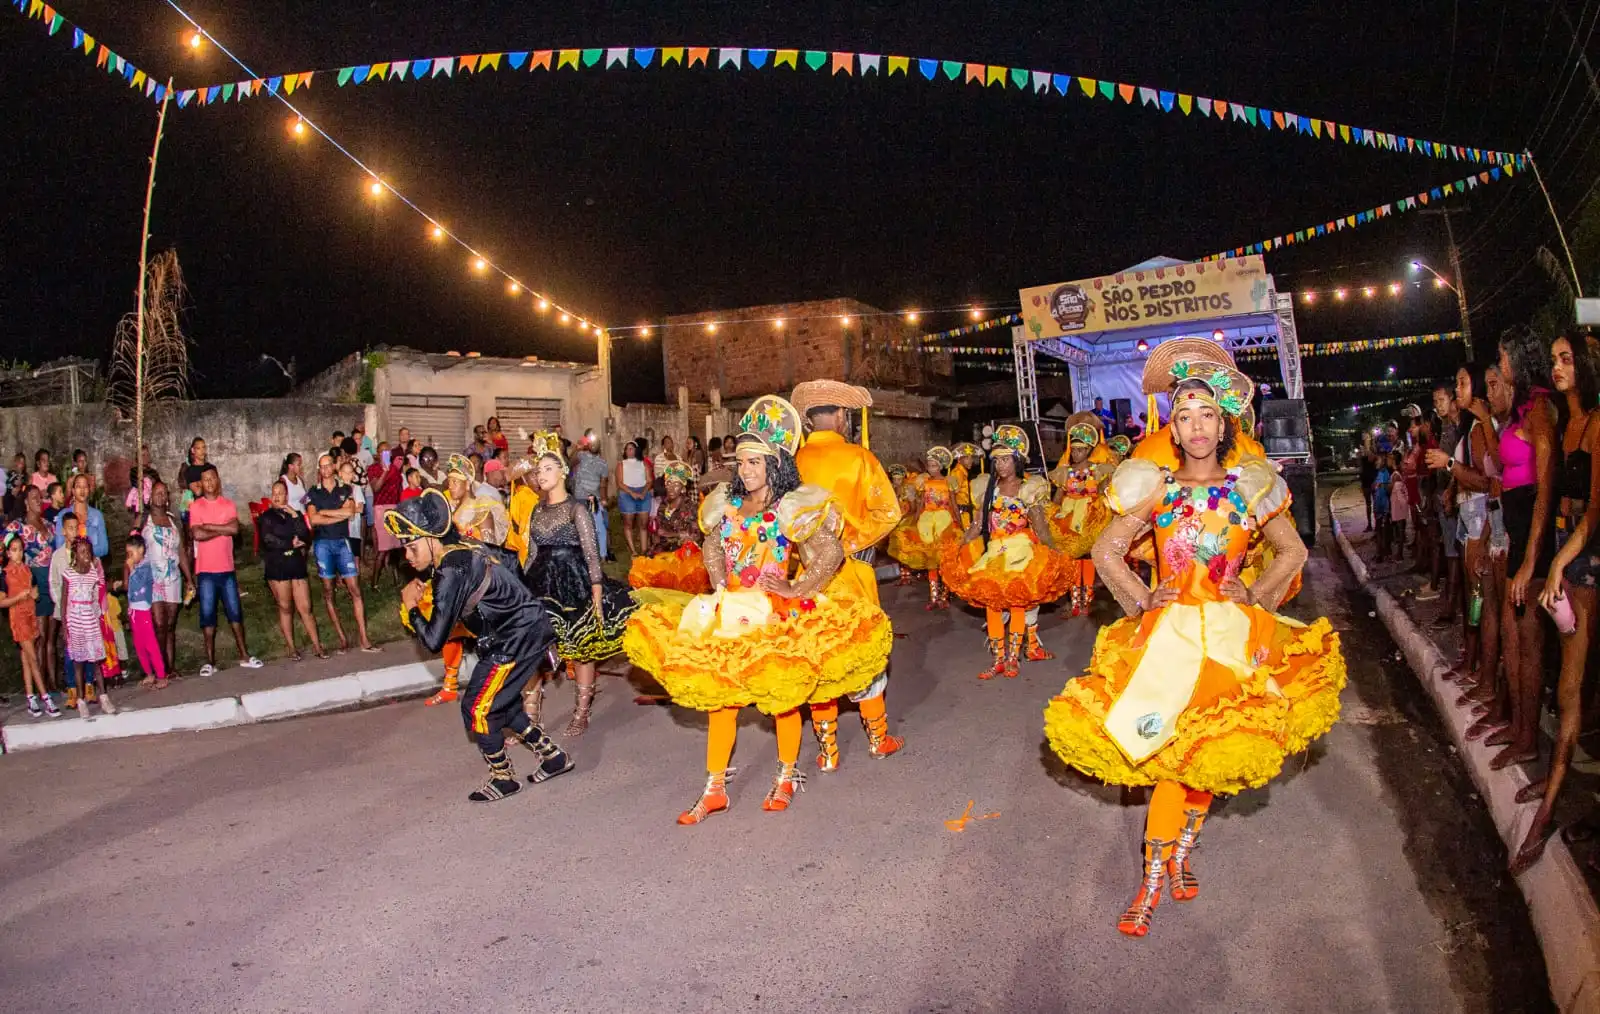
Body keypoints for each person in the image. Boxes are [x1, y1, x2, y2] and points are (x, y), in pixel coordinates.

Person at [1044, 345, 1345, 937]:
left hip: (1230, 639)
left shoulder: (1249, 487)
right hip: (1167, 638)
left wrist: (1254, 595)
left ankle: (1182, 850)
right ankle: (1152, 879)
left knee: (1206, 759)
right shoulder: (1154, 487)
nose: (1196, 426)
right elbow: (1105, 550)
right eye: (1184, 416)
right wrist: (1139, 597)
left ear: (1224, 421)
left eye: (1207, 414)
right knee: (1164, 763)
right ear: (1172, 428)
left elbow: (1293, 551)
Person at [624, 395, 893, 822]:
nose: (745, 471)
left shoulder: (792, 505)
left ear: (775, 464)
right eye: (741, 462)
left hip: (774, 617)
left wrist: (795, 585)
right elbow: (713, 547)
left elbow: (830, 553)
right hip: (731, 613)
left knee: (781, 699)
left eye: (754, 462)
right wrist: (717, 582)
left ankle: (786, 777)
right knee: (721, 704)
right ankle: (714, 789)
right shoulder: (726, 504)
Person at [388, 490, 574, 801]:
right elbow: (512, 561)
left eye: (411, 546)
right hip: (519, 631)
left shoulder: (452, 569)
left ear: (431, 538)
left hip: (516, 637)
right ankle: (553, 757)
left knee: (476, 708)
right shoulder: (463, 549)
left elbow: (434, 640)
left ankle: (503, 778)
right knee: (504, 702)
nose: (407, 556)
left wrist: (411, 607)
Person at [1508, 334, 1600, 872]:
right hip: (1568, 557)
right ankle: (1558, 783)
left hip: (1588, 562)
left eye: (1568, 359)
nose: (1558, 366)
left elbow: (1595, 513)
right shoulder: (1566, 424)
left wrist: (1559, 563)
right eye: (1556, 359)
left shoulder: (1596, 423)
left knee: (1569, 688)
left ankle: (1546, 815)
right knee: (1573, 688)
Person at [791, 379, 908, 768]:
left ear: (809, 421)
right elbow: (888, 512)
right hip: (852, 573)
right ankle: (878, 738)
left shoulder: (792, 463)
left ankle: (828, 753)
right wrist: (848, 543)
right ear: (841, 417)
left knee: (819, 656)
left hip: (804, 577)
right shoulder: (860, 458)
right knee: (864, 653)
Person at [522, 436, 638, 736]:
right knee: (531, 648)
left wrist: (597, 596)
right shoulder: (537, 510)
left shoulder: (578, 509)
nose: (541, 474)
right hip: (541, 583)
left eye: (548, 468)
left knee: (581, 647)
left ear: (562, 473)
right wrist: (521, 590)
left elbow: (591, 554)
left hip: (575, 582)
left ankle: (582, 712)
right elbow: (533, 554)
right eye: (539, 470)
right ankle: (530, 719)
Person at [943, 426, 1069, 678]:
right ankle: (999, 659)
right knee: (992, 604)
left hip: (1021, 551)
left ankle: (1014, 659)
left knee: (1018, 602)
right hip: (994, 552)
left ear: (1017, 461)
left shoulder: (1028, 488)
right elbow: (978, 524)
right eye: (997, 459)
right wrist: (960, 545)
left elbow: (1040, 526)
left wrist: (1054, 551)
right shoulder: (986, 489)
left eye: (1006, 459)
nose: (1001, 465)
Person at [189, 464, 263, 675]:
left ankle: (244, 655)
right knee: (207, 616)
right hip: (205, 571)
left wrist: (209, 526)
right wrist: (220, 529)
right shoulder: (196, 507)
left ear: (218, 480)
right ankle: (209, 661)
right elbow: (197, 535)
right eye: (206, 479)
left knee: (235, 613)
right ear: (201, 484)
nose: (210, 483)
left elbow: (234, 529)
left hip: (227, 569)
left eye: (213, 478)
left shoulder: (228, 504)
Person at [304, 454, 378, 655]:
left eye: (329, 465)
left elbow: (350, 513)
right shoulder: (313, 492)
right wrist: (336, 513)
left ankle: (364, 638)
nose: (326, 469)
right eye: (322, 466)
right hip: (322, 545)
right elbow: (313, 519)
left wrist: (325, 512)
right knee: (328, 590)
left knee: (354, 588)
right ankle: (342, 638)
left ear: (334, 467)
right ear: (319, 469)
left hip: (343, 543)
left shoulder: (346, 489)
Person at [1048, 413, 1116, 618]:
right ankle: (1075, 600)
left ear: (1088, 450)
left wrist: (1101, 512)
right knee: (1072, 559)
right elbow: (1058, 497)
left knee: (1087, 558)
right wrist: (1052, 515)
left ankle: (1087, 599)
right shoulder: (1065, 472)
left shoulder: (1098, 471)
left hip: (1089, 518)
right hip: (1069, 517)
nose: (1076, 453)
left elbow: (1105, 492)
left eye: (1081, 450)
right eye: (1074, 450)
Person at [259, 478, 326, 661]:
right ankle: (291, 647)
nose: (277, 497)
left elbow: (305, 534)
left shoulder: (294, 514)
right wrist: (290, 543)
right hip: (278, 565)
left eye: (281, 493)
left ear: (286, 495)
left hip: (296, 564)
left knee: (305, 607)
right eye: (274, 494)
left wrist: (296, 517)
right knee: (286, 607)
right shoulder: (266, 517)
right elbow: (268, 539)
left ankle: (317, 646)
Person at [887, 446, 959, 610]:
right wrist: (916, 519)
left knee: (944, 560)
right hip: (927, 521)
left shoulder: (949, 482)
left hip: (944, 522)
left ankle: (945, 595)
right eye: (929, 465)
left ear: (940, 466)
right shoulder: (924, 483)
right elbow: (921, 503)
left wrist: (959, 522)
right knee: (931, 560)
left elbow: (953, 504)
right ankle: (934, 597)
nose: (931, 468)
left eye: (934, 465)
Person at [7, 486, 61, 694]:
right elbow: (5, 547)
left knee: (49, 637)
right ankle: (41, 688)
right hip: (33, 582)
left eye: (40, 497)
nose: (38, 500)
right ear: (26, 502)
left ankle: (52, 683)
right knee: (37, 636)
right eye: (33, 497)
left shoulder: (49, 525)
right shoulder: (17, 526)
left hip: (51, 580)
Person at [134, 480, 190, 676]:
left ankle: (170, 666)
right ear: (150, 497)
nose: (161, 496)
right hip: (153, 578)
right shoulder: (143, 520)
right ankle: (159, 667)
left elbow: (181, 551)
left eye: (164, 493)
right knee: (159, 623)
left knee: (171, 624)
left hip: (173, 577)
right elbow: (133, 547)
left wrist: (189, 578)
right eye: (157, 492)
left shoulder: (173, 521)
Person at [628, 461, 710, 594]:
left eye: (676, 484)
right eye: (668, 484)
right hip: (661, 551)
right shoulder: (663, 505)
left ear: (683, 488)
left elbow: (695, 536)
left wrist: (669, 534)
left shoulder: (691, 507)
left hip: (683, 555)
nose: (671, 488)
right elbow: (657, 532)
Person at [2, 531, 56, 716]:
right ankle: (45, 696)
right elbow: (2, 601)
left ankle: (30, 697)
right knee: (33, 658)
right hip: (18, 619)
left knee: (26, 658)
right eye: (14, 550)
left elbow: (35, 592)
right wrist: (18, 597)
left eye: (20, 549)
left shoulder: (27, 570)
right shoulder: (5, 575)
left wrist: (33, 595)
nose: (17, 553)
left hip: (30, 616)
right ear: (8, 553)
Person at [61, 537, 116, 718]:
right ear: (75, 554)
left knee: (96, 661)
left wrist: (97, 614)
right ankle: (81, 700)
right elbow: (63, 602)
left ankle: (104, 697)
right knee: (79, 663)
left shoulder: (93, 572)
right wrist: (64, 626)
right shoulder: (68, 574)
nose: (86, 555)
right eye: (82, 552)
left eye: (88, 552)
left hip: (90, 619)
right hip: (75, 620)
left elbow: (94, 596)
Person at [1428, 381, 1465, 623]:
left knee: (1455, 553)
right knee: (1452, 551)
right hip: (1445, 494)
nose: (1437, 405)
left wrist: (1451, 490)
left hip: (1459, 496)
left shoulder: (1462, 426)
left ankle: (1452, 606)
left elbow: (1457, 463)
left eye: (1441, 400)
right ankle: (1452, 601)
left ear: (1452, 400)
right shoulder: (1445, 426)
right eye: (1435, 401)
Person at [121, 533, 170, 689]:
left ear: (141, 550)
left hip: (144, 610)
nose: (129, 557)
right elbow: (127, 586)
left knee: (150, 644)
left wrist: (130, 568)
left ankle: (162, 675)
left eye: (132, 553)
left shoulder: (145, 567)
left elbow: (138, 582)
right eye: (127, 554)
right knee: (139, 644)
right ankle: (149, 673)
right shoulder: (135, 567)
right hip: (134, 611)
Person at [369, 443, 406, 589]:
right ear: (377, 454)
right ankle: (374, 583)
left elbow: (398, 488)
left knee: (396, 546)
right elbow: (376, 487)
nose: (386, 453)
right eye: (382, 451)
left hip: (395, 507)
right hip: (381, 508)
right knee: (383, 548)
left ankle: (396, 579)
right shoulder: (373, 469)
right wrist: (384, 471)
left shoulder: (395, 469)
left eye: (387, 451)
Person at [570, 432, 611, 561]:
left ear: (599, 446)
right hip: (579, 497)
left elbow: (603, 484)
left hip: (593, 499)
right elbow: (569, 464)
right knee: (580, 526)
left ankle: (603, 555)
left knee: (599, 526)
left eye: (596, 442)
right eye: (591, 442)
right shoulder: (582, 456)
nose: (593, 445)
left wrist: (604, 499)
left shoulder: (603, 463)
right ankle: (582, 555)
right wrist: (576, 449)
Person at [52, 474, 108, 560]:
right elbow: (59, 546)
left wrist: (83, 552)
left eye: (85, 486)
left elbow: (104, 548)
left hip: (93, 566)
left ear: (89, 490)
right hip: (69, 565)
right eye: (78, 486)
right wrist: (81, 553)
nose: (82, 490)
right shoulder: (63, 515)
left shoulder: (97, 515)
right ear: (73, 491)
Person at [615, 440, 654, 557]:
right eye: (627, 449)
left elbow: (649, 480)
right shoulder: (621, 464)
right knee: (628, 523)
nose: (629, 450)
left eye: (631, 448)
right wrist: (631, 493)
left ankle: (644, 551)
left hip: (643, 492)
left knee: (643, 523)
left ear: (636, 450)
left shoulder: (644, 464)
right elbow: (620, 483)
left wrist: (643, 492)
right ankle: (633, 551)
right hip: (627, 493)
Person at [950, 441, 983, 528]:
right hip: (961, 514)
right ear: (959, 459)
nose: (971, 460)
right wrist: (958, 518)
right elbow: (951, 496)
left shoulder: (963, 472)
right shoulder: (957, 473)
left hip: (966, 513)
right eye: (967, 458)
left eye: (971, 457)